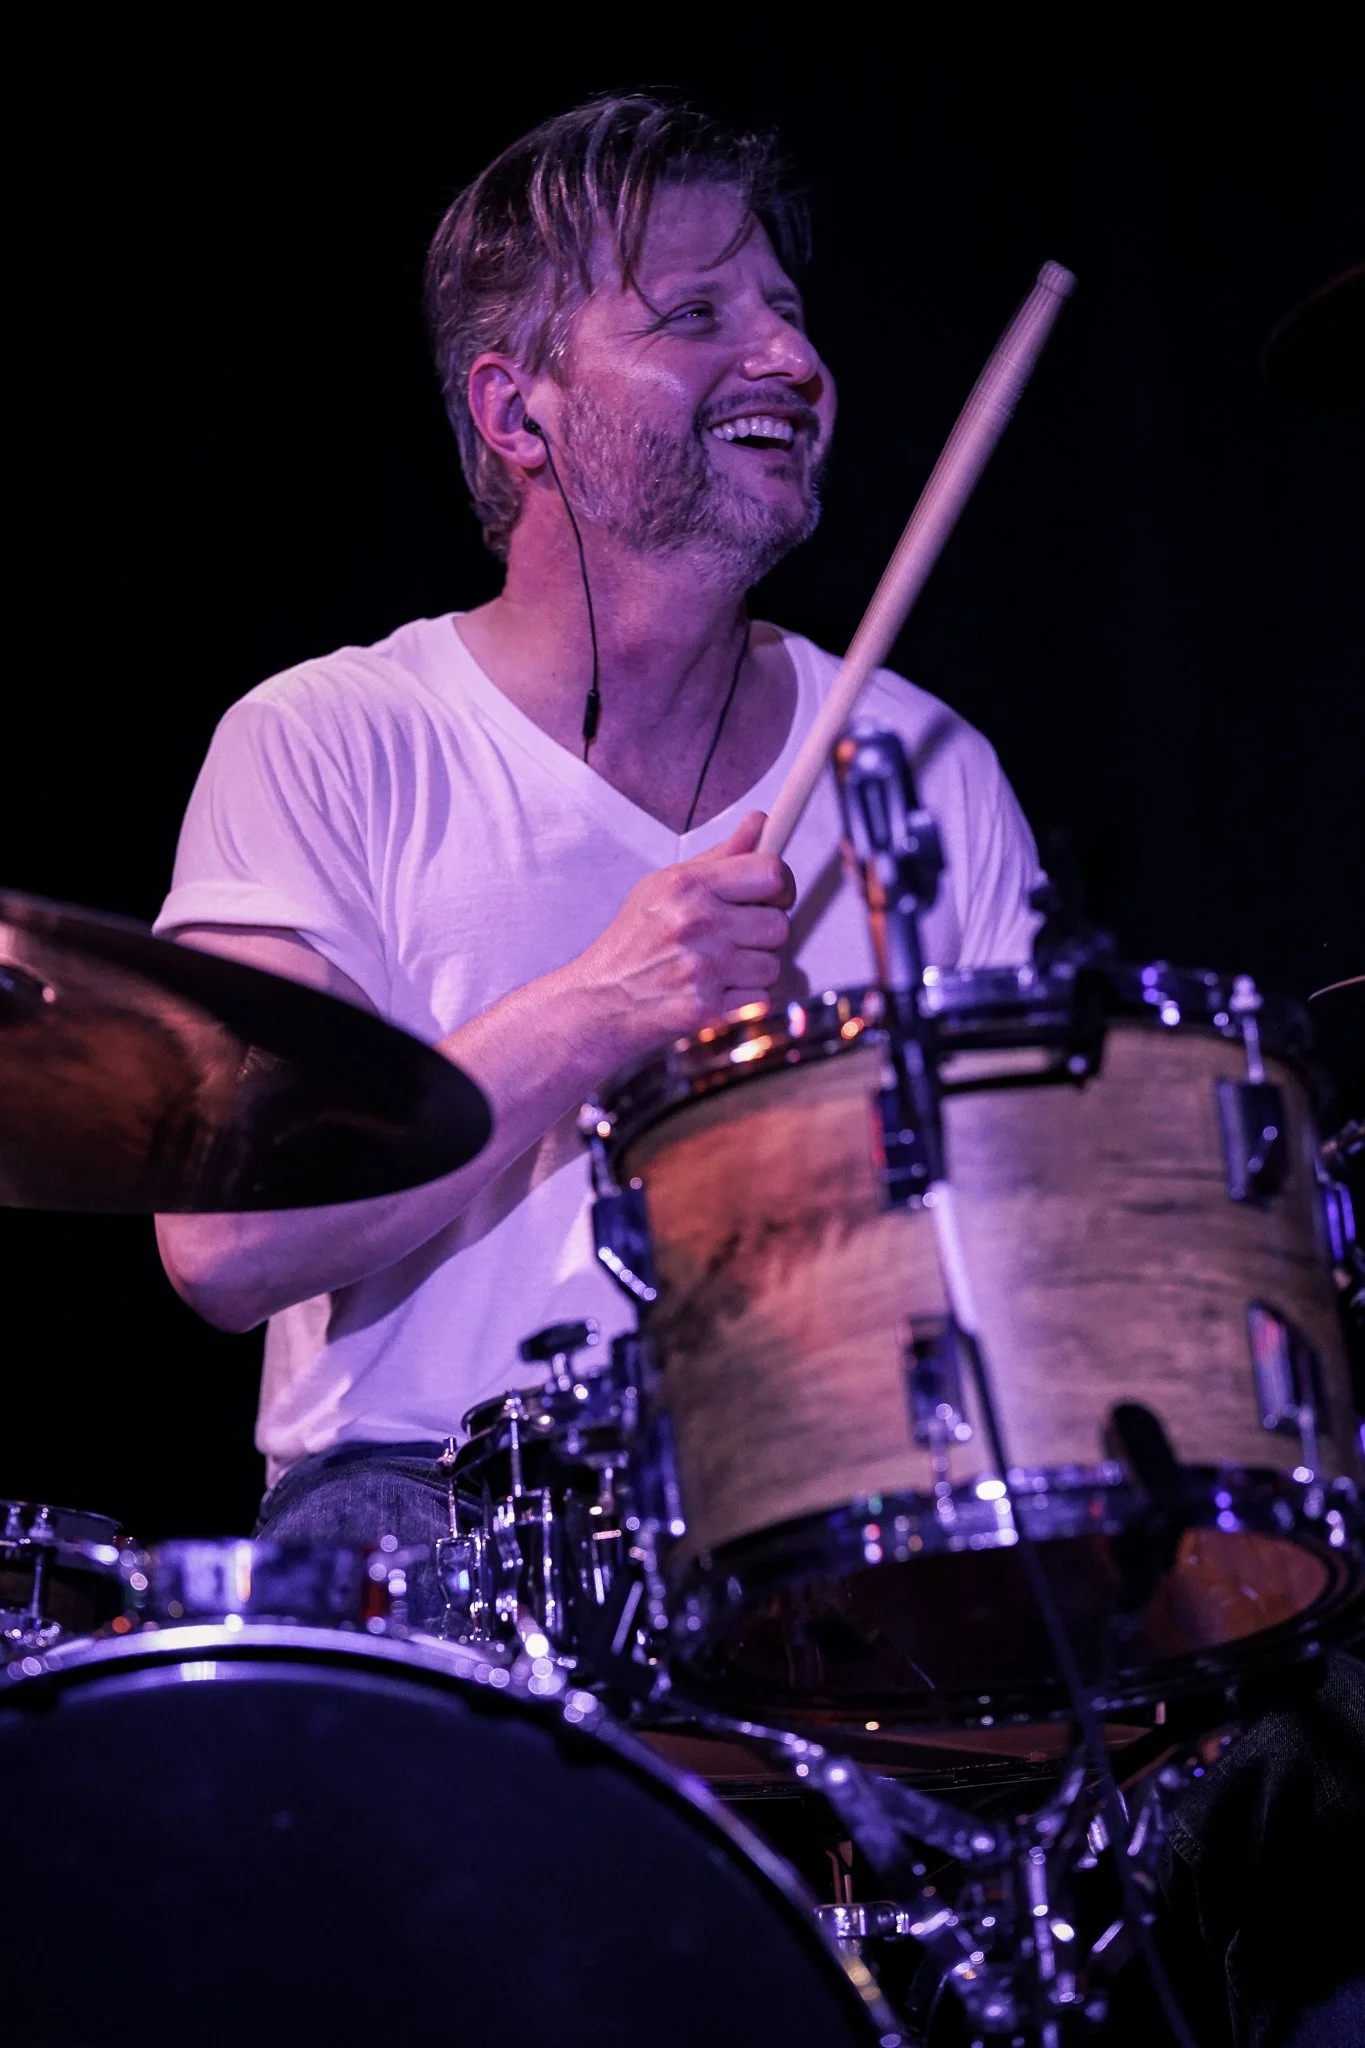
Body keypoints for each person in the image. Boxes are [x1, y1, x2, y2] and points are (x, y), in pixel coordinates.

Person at [153, 95, 1040, 1618]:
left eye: (786, 309)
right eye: (698, 315)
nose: (790, 358)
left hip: (841, 1519)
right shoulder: (330, 738)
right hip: (431, 1514)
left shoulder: (924, 763)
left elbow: (1034, 1250)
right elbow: (228, 1243)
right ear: (521, 415)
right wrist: (604, 1004)